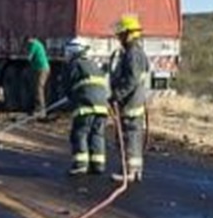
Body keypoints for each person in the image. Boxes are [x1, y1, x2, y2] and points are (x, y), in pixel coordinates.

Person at [109, 14, 152, 181]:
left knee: (129, 136)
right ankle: (135, 170)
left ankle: (129, 172)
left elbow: (131, 79)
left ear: (129, 33)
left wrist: (116, 95)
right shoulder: (136, 51)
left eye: (121, 34)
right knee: (133, 135)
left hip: (131, 103)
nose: (119, 37)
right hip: (135, 100)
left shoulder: (133, 53)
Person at [63, 38, 112, 175]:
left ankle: (80, 164)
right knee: (97, 134)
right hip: (102, 107)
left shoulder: (74, 65)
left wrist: (70, 98)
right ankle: (98, 165)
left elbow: (68, 85)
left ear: (73, 51)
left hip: (86, 106)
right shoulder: (94, 65)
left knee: (80, 133)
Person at [26, 36, 51, 117]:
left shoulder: (34, 45)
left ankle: (41, 110)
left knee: (39, 88)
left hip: (41, 69)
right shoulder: (39, 44)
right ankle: (37, 108)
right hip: (42, 68)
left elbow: (29, 57)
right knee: (37, 88)